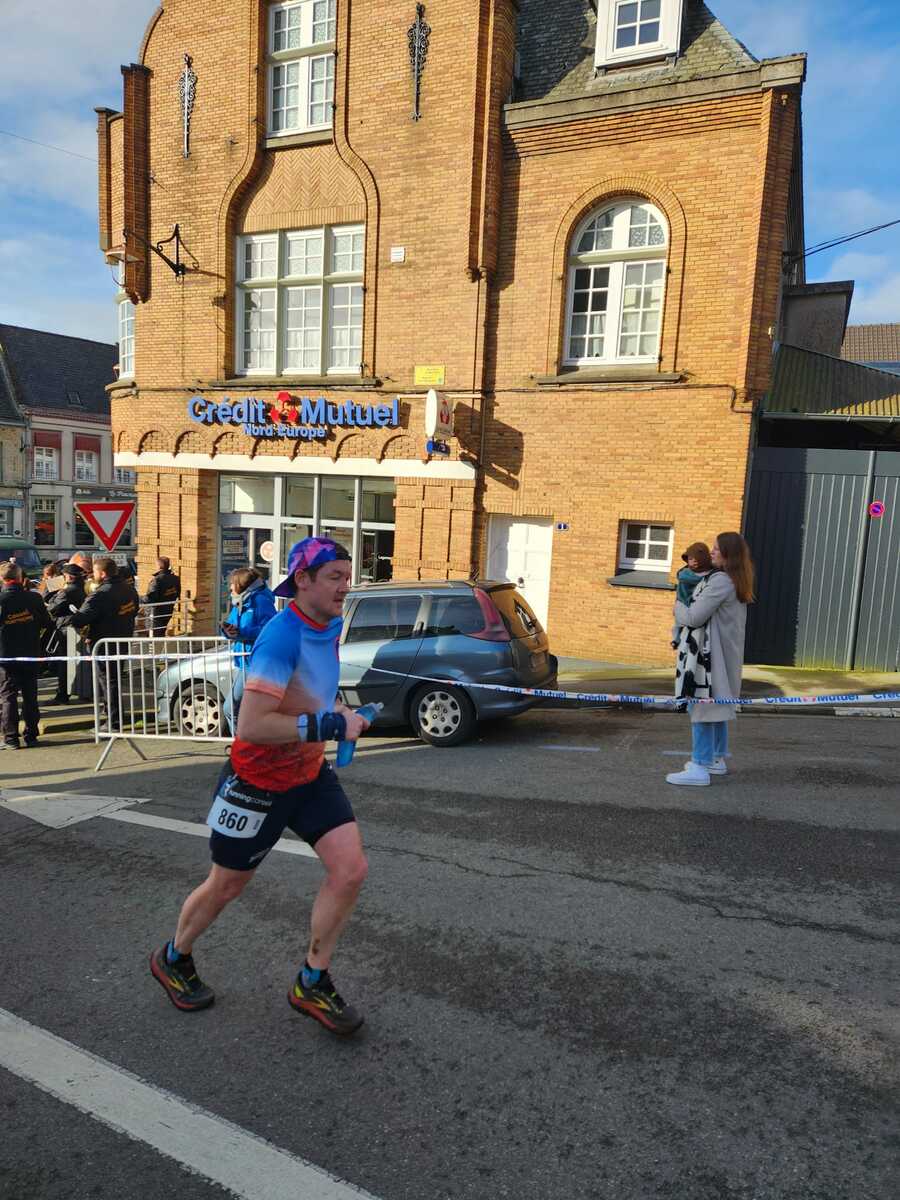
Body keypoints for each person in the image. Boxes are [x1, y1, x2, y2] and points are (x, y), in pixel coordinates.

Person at [150, 537, 372, 1036]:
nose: (345, 586)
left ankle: (312, 980)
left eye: (347, 575)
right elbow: (251, 724)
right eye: (334, 577)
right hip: (257, 781)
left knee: (350, 870)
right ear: (303, 580)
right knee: (227, 885)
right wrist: (327, 725)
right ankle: (173, 957)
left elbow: (315, 694)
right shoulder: (281, 637)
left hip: (308, 774)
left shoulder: (329, 626)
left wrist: (343, 713)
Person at [666, 532, 754, 787]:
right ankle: (716, 758)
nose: (711, 552)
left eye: (716, 549)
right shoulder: (734, 580)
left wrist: (677, 605)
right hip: (721, 657)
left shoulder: (720, 582)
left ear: (728, 555)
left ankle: (700, 765)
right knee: (717, 706)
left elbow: (693, 617)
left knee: (702, 707)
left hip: (708, 661)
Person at [61, 557, 138, 732]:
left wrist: (71, 616)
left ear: (102, 573)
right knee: (114, 680)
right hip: (123, 639)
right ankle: (113, 715)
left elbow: (80, 619)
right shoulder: (129, 589)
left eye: (95, 571)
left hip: (104, 642)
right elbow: (133, 611)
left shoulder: (100, 594)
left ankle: (113, 722)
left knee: (109, 681)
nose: (92, 575)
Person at [0, 561, 53, 749]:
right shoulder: (34, 598)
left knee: (8, 697)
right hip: (31, 653)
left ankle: (11, 738)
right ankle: (31, 735)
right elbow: (47, 623)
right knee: (31, 696)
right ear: (20, 578)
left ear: (2, 578)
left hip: (7, 656)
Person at [221, 566, 277, 733]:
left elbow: (270, 630)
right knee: (239, 709)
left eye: (232, 583)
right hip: (244, 662)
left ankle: (242, 744)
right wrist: (227, 631)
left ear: (242, 584)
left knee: (231, 708)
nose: (230, 587)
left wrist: (242, 633)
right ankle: (247, 744)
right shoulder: (239, 601)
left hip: (257, 662)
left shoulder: (261, 601)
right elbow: (232, 627)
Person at [45, 562, 87, 704]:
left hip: (65, 628)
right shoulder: (82, 588)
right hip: (75, 627)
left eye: (63, 576)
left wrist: (55, 594)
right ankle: (81, 692)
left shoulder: (66, 592)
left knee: (64, 664)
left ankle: (62, 695)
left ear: (69, 577)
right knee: (75, 663)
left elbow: (51, 608)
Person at [143, 556, 181, 637]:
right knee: (161, 631)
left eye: (156, 564)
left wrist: (141, 599)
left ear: (159, 566)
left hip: (156, 613)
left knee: (153, 634)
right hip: (168, 610)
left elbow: (150, 597)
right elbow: (177, 593)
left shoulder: (157, 580)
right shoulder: (175, 578)